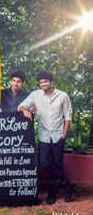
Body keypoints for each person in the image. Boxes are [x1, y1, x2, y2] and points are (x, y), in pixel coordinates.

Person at [19, 71, 74, 204]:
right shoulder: (35, 95)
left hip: (58, 135)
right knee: (43, 163)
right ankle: (68, 184)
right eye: (41, 82)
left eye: (46, 82)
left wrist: (64, 134)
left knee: (57, 164)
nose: (43, 84)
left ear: (51, 82)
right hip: (44, 135)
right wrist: (25, 111)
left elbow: (68, 116)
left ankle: (52, 194)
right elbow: (20, 106)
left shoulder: (62, 96)